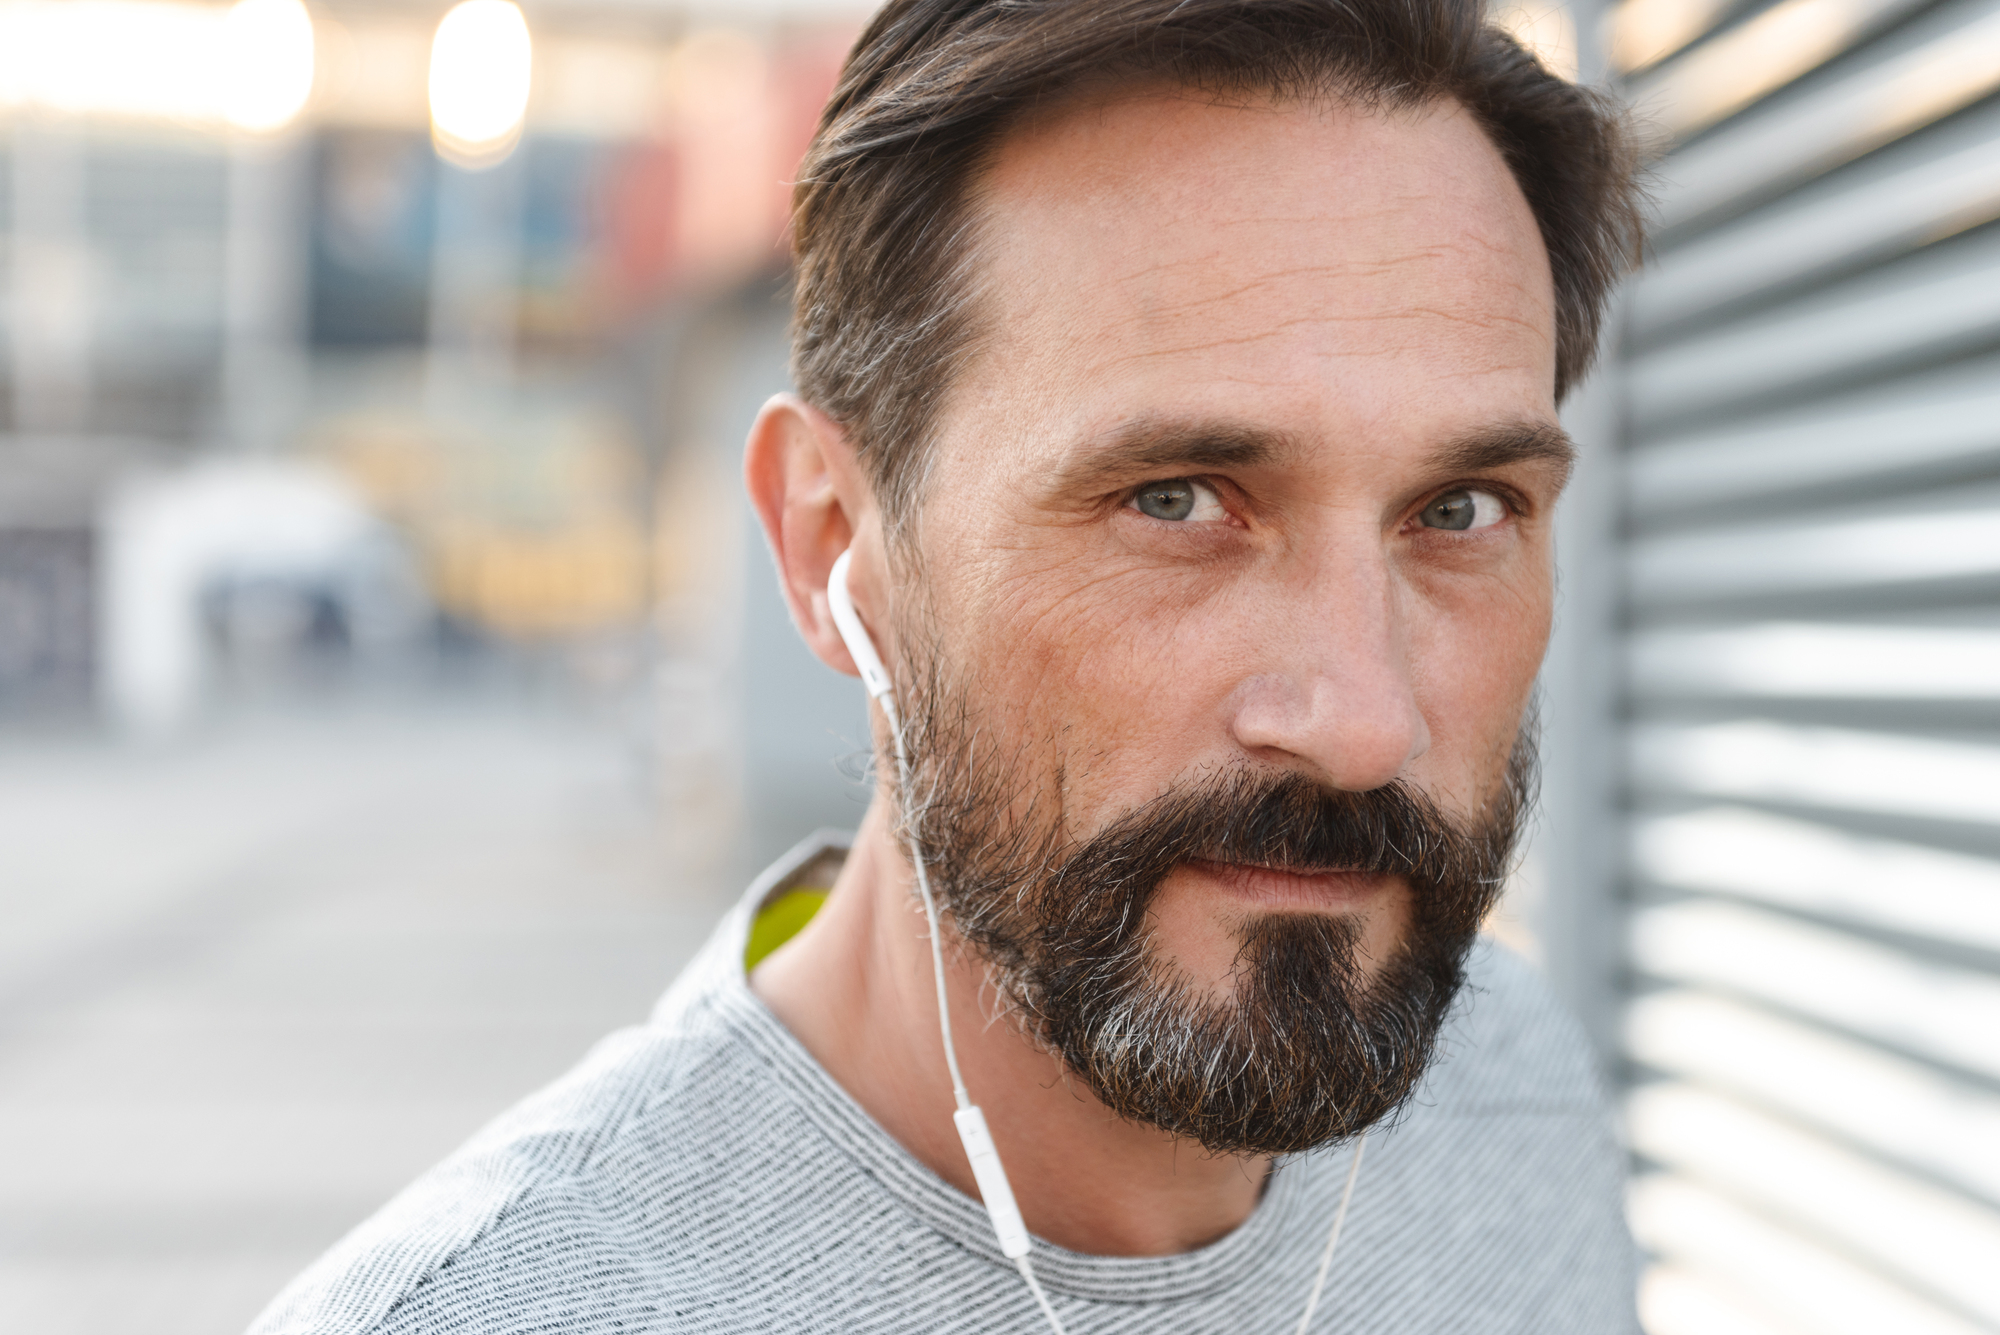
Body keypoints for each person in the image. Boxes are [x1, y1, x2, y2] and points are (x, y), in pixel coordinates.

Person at [251, 1, 1645, 1330]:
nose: (1361, 721)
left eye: (1460, 513)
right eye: (1175, 499)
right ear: (830, 544)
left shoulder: (1514, 1096)